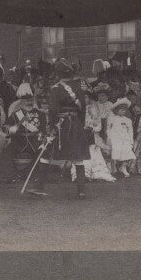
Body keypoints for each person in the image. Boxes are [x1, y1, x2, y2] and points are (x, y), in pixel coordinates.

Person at [30, 58, 91, 199]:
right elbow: (83, 110)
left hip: (61, 125)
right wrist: (79, 126)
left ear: (58, 74)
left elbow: (53, 110)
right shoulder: (78, 87)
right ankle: (81, 191)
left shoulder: (56, 89)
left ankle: (39, 187)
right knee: (78, 158)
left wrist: (51, 128)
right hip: (75, 124)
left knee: (46, 155)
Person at [108, 98, 137, 178]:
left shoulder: (128, 120)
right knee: (116, 154)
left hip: (125, 140)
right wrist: (109, 139)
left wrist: (131, 141)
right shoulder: (112, 119)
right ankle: (115, 169)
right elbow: (109, 130)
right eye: (121, 110)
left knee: (128, 154)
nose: (123, 111)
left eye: (124, 110)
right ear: (116, 110)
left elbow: (130, 131)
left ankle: (123, 167)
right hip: (115, 139)